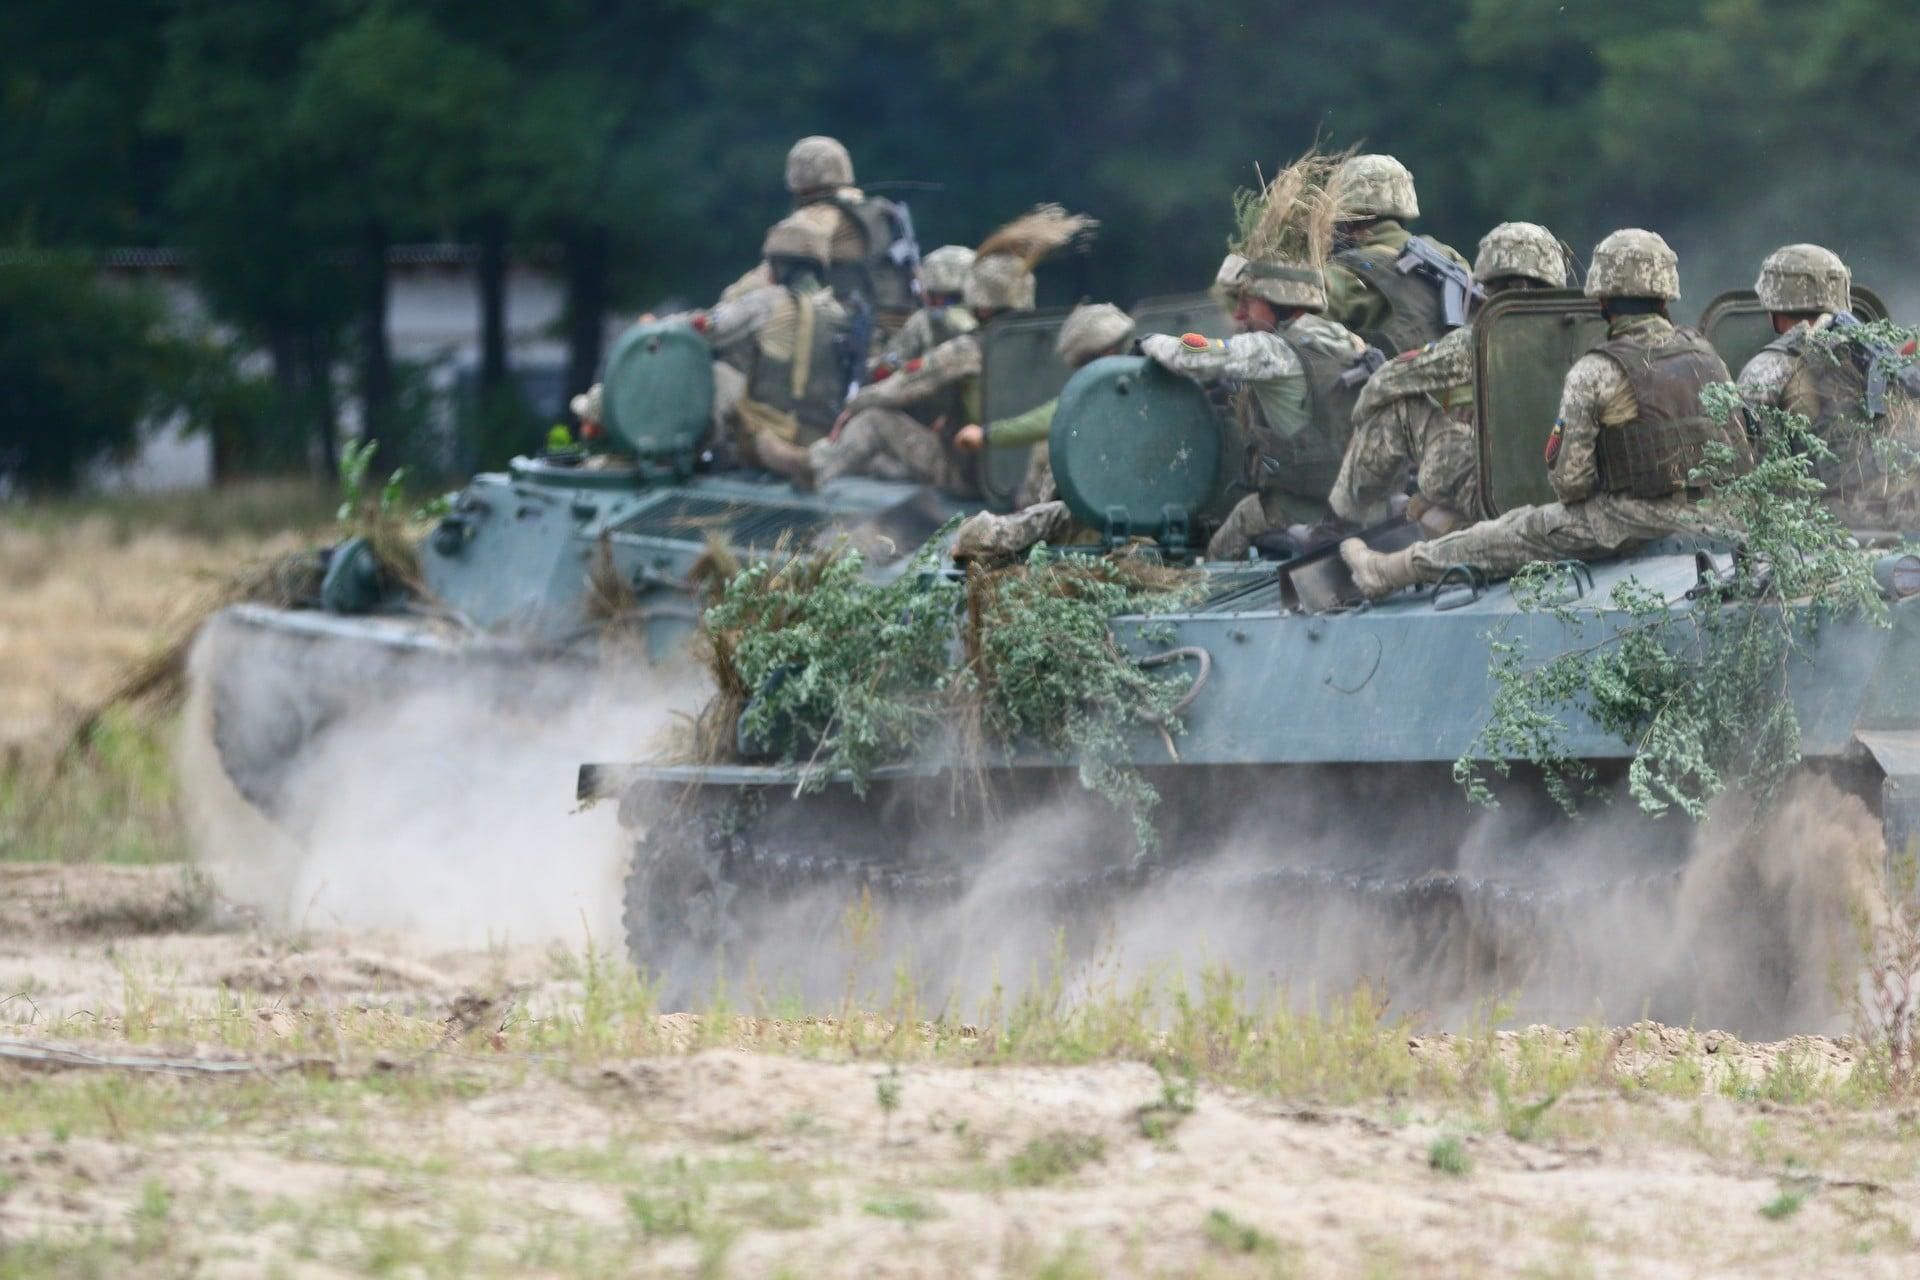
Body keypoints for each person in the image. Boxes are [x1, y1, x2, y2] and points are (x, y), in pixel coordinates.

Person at [1341, 229, 1750, 597]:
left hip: (1627, 520)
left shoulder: (1597, 369)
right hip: (1713, 514)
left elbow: (1570, 484)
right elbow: (1739, 454)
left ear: (1602, 299)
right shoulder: (1705, 354)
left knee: (1509, 534)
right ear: (1666, 296)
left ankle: (1384, 571)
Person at [750, 206, 1094, 494]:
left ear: (981, 302)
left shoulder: (968, 350)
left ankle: (811, 466)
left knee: (874, 421)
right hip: (1031, 483)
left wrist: (855, 403)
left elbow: (896, 389)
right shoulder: (1053, 346)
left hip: (972, 478)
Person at [1137, 150, 1378, 560]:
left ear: (1280, 302)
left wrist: (1148, 342)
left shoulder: (1273, 351)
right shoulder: (1349, 342)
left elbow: (1190, 355)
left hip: (1297, 508)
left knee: (1217, 555)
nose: (1241, 313)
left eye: (1251, 302)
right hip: (1361, 511)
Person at [1328, 221, 1571, 535]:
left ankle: (1340, 518)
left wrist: (1361, 420)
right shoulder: (1585, 333)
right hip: (1567, 493)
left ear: (1489, 284)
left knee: (1401, 408)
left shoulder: (1474, 343)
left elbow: (1383, 383)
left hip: (1494, 495)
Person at [1737, 243, 1919, 526]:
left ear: (1774, 305)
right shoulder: (1883, 357)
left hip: (1822, 533)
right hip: (1904, 521)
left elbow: (1752, 469)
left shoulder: (1768, 367)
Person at [947, 303, 1137, 561]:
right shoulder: (1142, 377)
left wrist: (988, 434)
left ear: (1105, 352)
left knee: (976, 536)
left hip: (1104, 513)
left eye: (1085, 363)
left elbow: (1054, 416)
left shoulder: (1109, 389)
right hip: (1134, 510)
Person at [719, 137, 919, 338]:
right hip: (900, 333)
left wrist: (726, 305)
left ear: (797, 175)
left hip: (851, 338)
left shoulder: (821, 215)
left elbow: (781, 258)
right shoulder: (882, 213)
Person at [1323, 154, 1472, 356]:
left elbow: (1311, 348)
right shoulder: (1452, 258)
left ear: (1348, 221)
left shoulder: (1344, 275)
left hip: (1389, 386)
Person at [885, 245, 978, 367]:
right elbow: (890, 361)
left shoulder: (991, 323)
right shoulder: (922, 322)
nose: (940, 305)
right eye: (933, 297)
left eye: (952, 299)